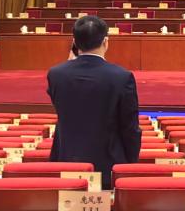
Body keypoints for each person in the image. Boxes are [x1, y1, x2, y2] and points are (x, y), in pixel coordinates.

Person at [46, 15, 141, 189]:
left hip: (66, 162)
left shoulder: (56, 74)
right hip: (108, 165)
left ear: (74, 42)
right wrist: (130, 162)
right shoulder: (122, 77)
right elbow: (130, 126)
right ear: (106, 42)